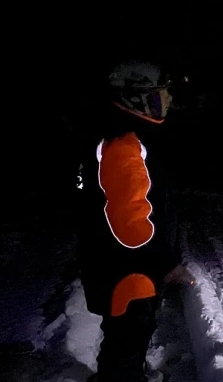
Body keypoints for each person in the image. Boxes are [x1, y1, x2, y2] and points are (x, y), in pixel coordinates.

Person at [72, 60, 193, 382]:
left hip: (122, 265)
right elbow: (130, 225)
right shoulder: (125, 145)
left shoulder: (126, 136)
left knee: (127, 334)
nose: (168, 98)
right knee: (128, 333)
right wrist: (167, 262)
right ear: (138, 97)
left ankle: (124, 372)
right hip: (128, 268)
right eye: (163, 91)